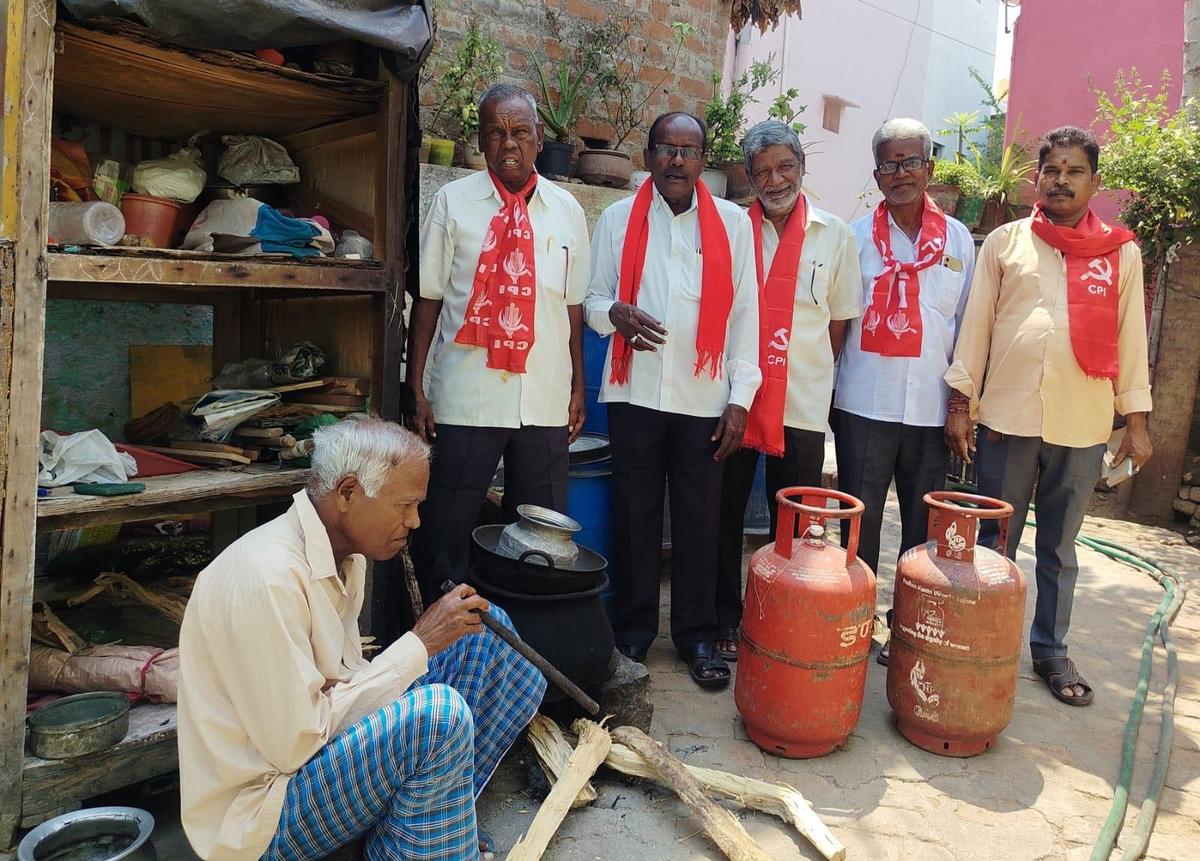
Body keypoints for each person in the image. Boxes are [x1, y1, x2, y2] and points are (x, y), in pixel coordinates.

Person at [178, 419, 545, 860]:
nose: (414, 521)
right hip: (260, 816)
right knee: (438, 715)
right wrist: (419, 644)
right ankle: (437, 842)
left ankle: (431, 827)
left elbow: (345, 682)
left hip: (312, 764)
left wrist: (421, 652)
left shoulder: (344, 556)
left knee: (487, 632)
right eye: (405, 505)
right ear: (348, 493)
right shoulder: (267, 578)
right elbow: (296, 744)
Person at [945, 125, 1153, 707]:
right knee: (994, 541)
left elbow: (1131, 337)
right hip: (1008, 417)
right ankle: (984, 641)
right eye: (1052, 170)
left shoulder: (1120, 252)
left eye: (1075, 170)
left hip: (1082, 423)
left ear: (1095, 181)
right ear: (1037, 177)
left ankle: (1051, 651)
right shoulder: (1005, 242)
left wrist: (1135, 421)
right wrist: (960, 403)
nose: (1061, 180)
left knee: (1060, 547)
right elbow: (976, 327)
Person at [585, 112, 761, 689]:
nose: (678, 160)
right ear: (648, 156)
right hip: (634, 392)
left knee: (699, 520)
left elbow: (745, 316)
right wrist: (614, 313)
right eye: (667, 148)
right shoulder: (615, 219)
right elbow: (591, 299)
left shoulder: (733, 224)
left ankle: (697, 636)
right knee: (633, 515)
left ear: (704, 159)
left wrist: (740, 399)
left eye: (689, 150)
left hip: (705, 397)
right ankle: (632, 634)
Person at [408, 83, 591, 601]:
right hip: (469, 395)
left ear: (538, 140)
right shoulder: (453, 202)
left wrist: (578, 387)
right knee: (447, 526)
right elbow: (429, 299)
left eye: (519, 133)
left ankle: (525, 638)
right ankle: (441, 640)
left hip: (544, 398)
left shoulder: (567, 211)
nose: (508, 144)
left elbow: (572, 307)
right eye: (495, 133)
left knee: (542, 533)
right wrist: (417, 387)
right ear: (481, 141)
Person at [715, 120, 862, 662]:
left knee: (796, 520)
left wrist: (798, 369)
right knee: (723, 515)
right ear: (749, 176)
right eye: (762, 171)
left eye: (785, 167)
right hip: (732, 398)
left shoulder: (835, 235)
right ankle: (724, 619)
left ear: (803, 167)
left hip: (800, 400)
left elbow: (838, 325)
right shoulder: (732, 227)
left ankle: (783, 615)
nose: (774, 180)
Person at [833, 117, 975, 665]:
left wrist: (961, 406)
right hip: (863, 403)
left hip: (929, 409)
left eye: (911, 161)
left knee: (922, 531)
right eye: (889, 163)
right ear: (877, 173)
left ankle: (909, 626)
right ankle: (857, 623)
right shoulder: (854, 236)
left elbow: (966, 330)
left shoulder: (959, 240)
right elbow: (837, 320)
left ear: (929, 169)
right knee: (859, 525)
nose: (901, 173)